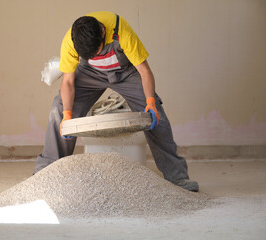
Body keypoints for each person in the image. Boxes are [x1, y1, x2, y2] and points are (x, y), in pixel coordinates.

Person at [34, 11, 199, 192]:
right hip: (90, 74)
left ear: (103, 31)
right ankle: (45, 173)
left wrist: (151, 101)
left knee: (154, 114)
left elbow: (144, 71)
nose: (97, 55)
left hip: (125, 72)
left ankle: (177, 177)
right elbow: (67, 81)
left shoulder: (122, 31)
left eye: (97, 51)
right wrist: (67, 115)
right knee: (59, 108)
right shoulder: (71, 41)